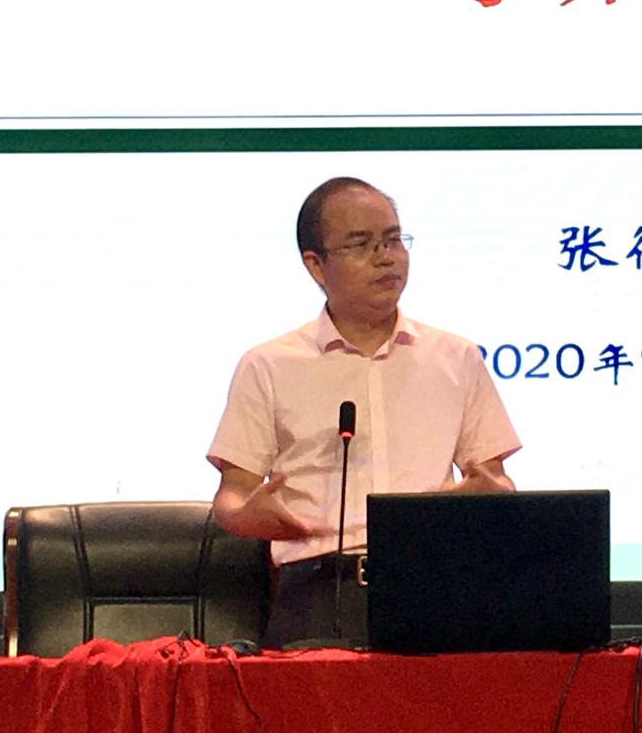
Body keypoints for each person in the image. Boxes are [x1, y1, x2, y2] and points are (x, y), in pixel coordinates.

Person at [207, 176, 521, 647]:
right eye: (361, 244)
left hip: (435, 586)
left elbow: (495, 480)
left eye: (393, 240)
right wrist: (253, 514)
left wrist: (484, 493)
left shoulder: (456, 358)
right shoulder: (269, 365)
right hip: (315, 592)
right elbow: (231, 498)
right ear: (316, 265)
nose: (385, 257)